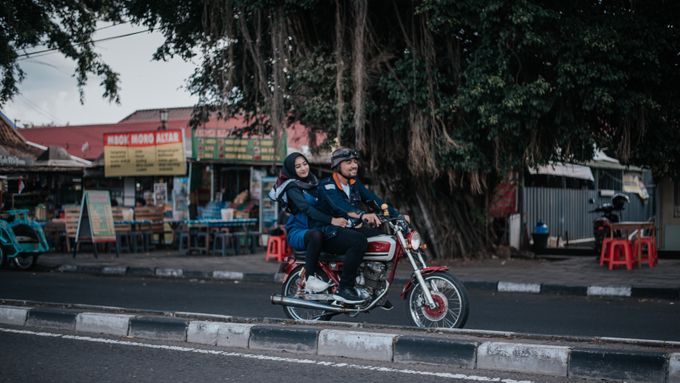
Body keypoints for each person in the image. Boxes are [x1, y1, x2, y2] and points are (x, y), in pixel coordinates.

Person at [316, 147, 407, 306]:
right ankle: (345, 288)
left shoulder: (354, 183)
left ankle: (372, 287)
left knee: (382, 239)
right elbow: (340, 206)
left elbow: (374, 200)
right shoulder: (327, 185)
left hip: (348, 230)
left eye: (355, 162)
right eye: (348, 162)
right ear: (338, 166)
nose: (354, 165)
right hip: (328, 232)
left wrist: (397, 215)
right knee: (358, 241)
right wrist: (362, 215)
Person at [269, 153, 351, 298]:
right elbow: (307, 209)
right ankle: (310, 279)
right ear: (291, 169)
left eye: (304, 164)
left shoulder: (314, 182)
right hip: (300, 231)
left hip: (317, 225)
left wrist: (350, 215)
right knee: (316, 235)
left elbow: (329, 203)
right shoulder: (291, 187)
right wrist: (332, 220)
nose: (303, 168)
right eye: (298, 166)